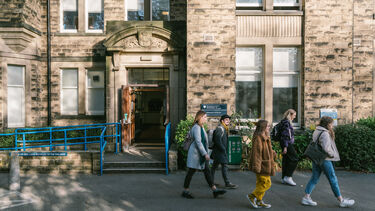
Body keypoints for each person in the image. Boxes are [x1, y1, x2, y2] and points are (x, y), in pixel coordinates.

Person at [301, 116, 355, 208]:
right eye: (331, 124)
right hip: (325, 159)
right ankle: (341, 200)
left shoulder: (317, 130)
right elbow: (326, 148)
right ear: (328, 124)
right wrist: (332, 154)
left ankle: (306, 197)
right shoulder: (325, 133)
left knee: (314, 177)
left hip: (316, 158)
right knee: (332, 178)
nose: (332, 126)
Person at [182, 110, 226, 199]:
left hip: (200, 155)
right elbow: (198, 142)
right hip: (195, 155)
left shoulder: (201, 127)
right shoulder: (196, 127)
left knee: (207, 172)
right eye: (205, 117)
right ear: (200, 117)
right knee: (190, 172)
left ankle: (214, 190)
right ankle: (185, 191)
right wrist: (205, 154)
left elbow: (204, 141)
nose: (206, 118)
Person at [247, 120, 276, 209]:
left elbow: (265, 150)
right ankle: (252, 196)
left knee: (260, 183)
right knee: (267, 183)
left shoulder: (265, 136)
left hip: (265, 164)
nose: (269, 128)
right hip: (262, 165)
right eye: (267, 126)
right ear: (263, 128)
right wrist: (257, 166)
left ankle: (259, 200)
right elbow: (257, 154)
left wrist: (272, 152)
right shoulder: (258, 138)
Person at [211, 114, 238, 189]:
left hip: (218, 151)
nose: (228, 121)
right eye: (226, 120)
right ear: (222, 121)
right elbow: (217, 140)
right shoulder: (220, 129)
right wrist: (223, 149)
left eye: (229, 120)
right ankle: (227, 183)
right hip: (220, 151)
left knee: (214, 167)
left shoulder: (224, 128)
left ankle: (211, 181)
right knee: (224, 165)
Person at [279, 109, 298, 186]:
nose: (294, 117)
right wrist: (285, 147)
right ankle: (288, 177)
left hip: (284, 143)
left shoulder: (284, 121)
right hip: (287, 144)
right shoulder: (286, 123)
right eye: (294, 115)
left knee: (286, 160)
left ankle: (284, 178)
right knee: (294, 159)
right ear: (290, 114)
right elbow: (285, 135)